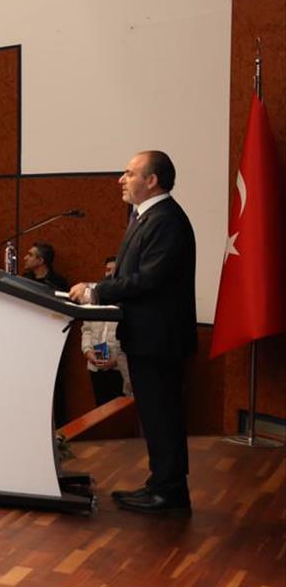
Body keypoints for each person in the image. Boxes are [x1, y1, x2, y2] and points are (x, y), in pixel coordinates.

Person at [68, 150, 197, 514]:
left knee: (163, 416)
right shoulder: (145, 216)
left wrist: (97, 290)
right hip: (147, 337)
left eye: (129, 173)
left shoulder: (166, 220)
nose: (120, 180)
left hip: (160, 339)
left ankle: (170, 494)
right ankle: (161, 485)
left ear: (151, 180)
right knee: (155, 416)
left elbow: (149, 279)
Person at [80, 257, 131, 405]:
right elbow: (86, 329)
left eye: (113, 270)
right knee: (101, 406)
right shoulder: (97, 296)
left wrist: (116, 361)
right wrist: (88, 352)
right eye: (107, 270)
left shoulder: (127, 299)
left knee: (120, 408)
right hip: (96, 364)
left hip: (119, 367)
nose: (110, 274)